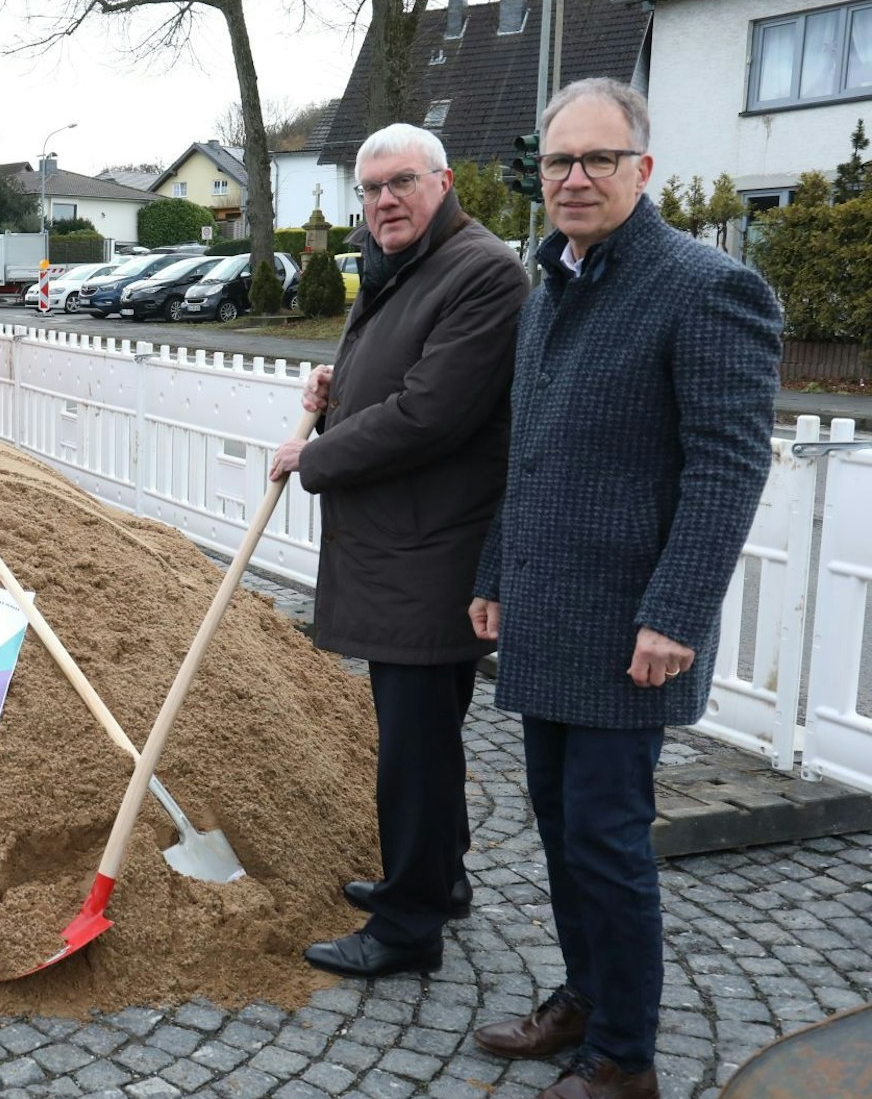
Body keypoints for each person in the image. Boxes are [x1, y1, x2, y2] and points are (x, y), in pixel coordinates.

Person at [467, 78, 780, 1099]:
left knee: (606, 841)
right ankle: (584, 999)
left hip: (629, 629)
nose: (573, 177)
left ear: (641, 170)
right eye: (558, 160)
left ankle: (626, 1061)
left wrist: (674, 614)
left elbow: (725, 468)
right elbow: (526, 450)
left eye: (597, 159)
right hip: (548, 617)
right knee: (559, 828)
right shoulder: (550, 277)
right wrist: (491, 573)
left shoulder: (702, 287)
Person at [268, 123, 529, 979]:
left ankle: (408, 925)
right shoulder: (409, 263)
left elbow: (432, 411)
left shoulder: (484, 272)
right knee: (425, 734)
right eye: (371, 188)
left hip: (432, 548)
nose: (384, 199)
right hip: (398, 541)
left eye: (401, 182)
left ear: (444, 182)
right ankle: (439, 879)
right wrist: (335, 384)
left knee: (413, 746)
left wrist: (315, 455)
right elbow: (392, 367)